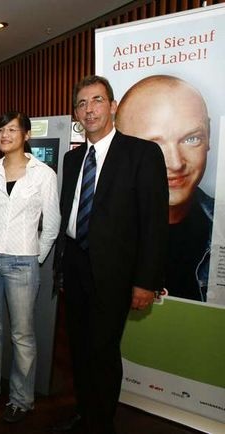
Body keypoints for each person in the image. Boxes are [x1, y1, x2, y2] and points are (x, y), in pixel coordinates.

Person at [52, 75, 168, 434]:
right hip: (75, 266)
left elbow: (153, 223)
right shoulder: (72, 160)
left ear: (113, 106)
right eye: (82, 104)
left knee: (103, 351)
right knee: (81, 351)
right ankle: (85, 413)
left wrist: (145, 282)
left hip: (114, 274)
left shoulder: (142, 154)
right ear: (76, 114)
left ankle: (101, 424)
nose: (90, 109)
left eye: (97, 100)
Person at [0, 111, 60, 423]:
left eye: (12, 130)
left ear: (26, 135)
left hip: (22, 263)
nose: (4, 135)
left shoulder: (43, 175)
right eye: (0, 130)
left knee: (22, 334)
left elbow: (52, 225)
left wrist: (34, 257)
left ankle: (22, 399)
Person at [116, 75, 213, 302]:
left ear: (209, 135)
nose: (176, 163)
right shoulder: (106, 222)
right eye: (153, 145)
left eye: (191, 138)